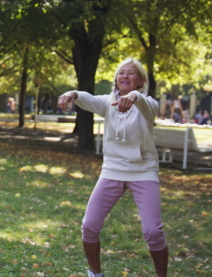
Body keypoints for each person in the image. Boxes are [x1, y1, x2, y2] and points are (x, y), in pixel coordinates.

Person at [58, 58, 168, 277]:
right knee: (89, 226)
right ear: (116, 80)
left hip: (143, 171)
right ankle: (95, 274)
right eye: (121, 73)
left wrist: (134, 97)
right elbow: (89, 99)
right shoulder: (108, 102)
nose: (125, 76)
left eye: (131, 73)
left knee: (153, 232)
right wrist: (74, 93)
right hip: (112, 170)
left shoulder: (148, 104)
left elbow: (146, 105)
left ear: (141, 81)